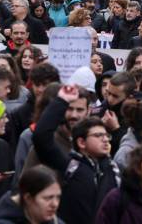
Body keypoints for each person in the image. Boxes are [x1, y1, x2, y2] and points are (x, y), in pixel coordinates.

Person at [32, 84, 118, 223]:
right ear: (81, 142)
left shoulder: (113, 169)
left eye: (106, 136)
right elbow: (41, 137)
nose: (104, 140)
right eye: (97, 136)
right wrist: (61, 101)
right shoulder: (71, 167)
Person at [0, 165, 64, 223]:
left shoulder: (54, 221)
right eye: (48, 198)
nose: (55, 204)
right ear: (28, 198)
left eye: (58, 197)